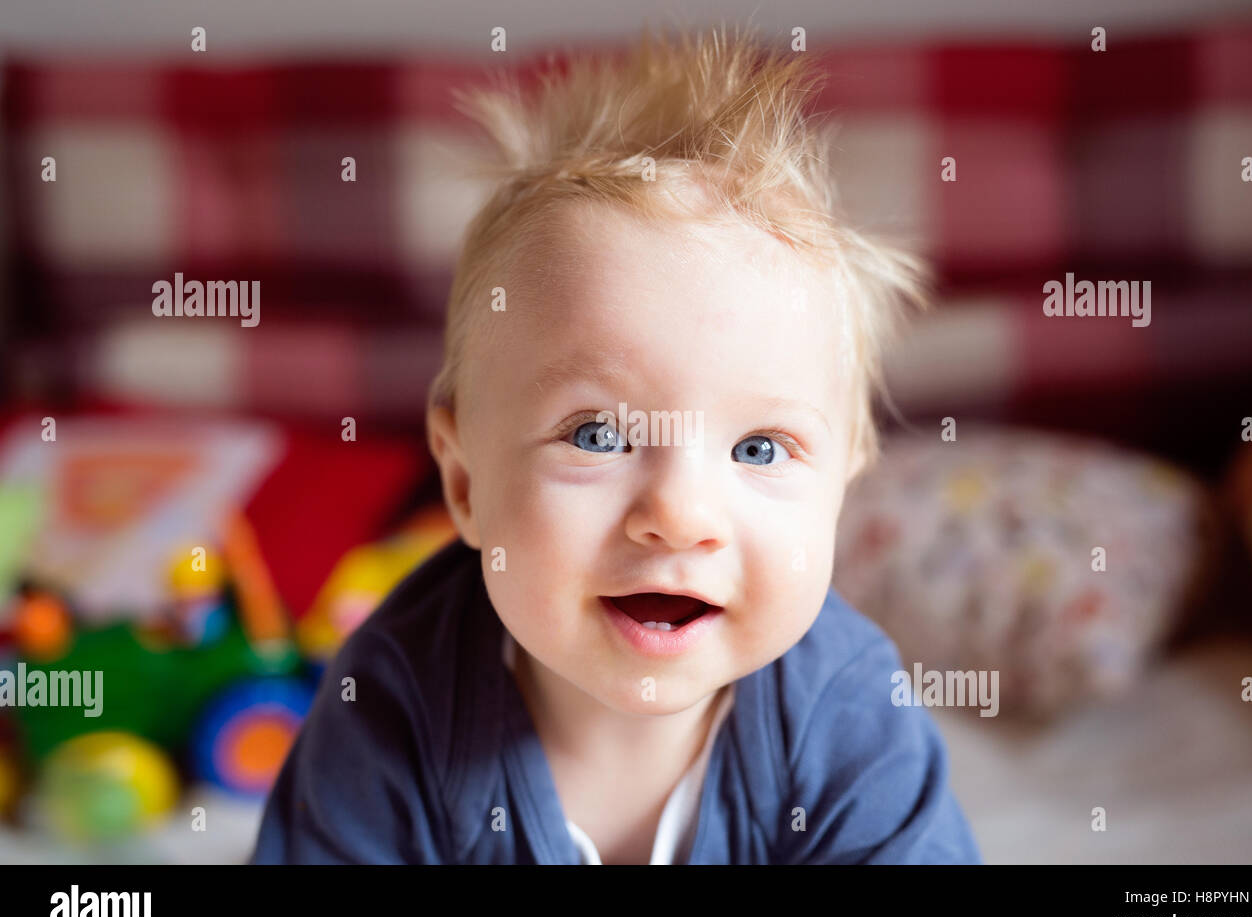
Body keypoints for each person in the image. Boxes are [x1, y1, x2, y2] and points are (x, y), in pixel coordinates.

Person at [252, 23, 982, 865]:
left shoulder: (848, 713)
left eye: (759, 449)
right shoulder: (393, 706)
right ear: (464, 485)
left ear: (840, 492)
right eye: (597, 434)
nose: (679, 516)